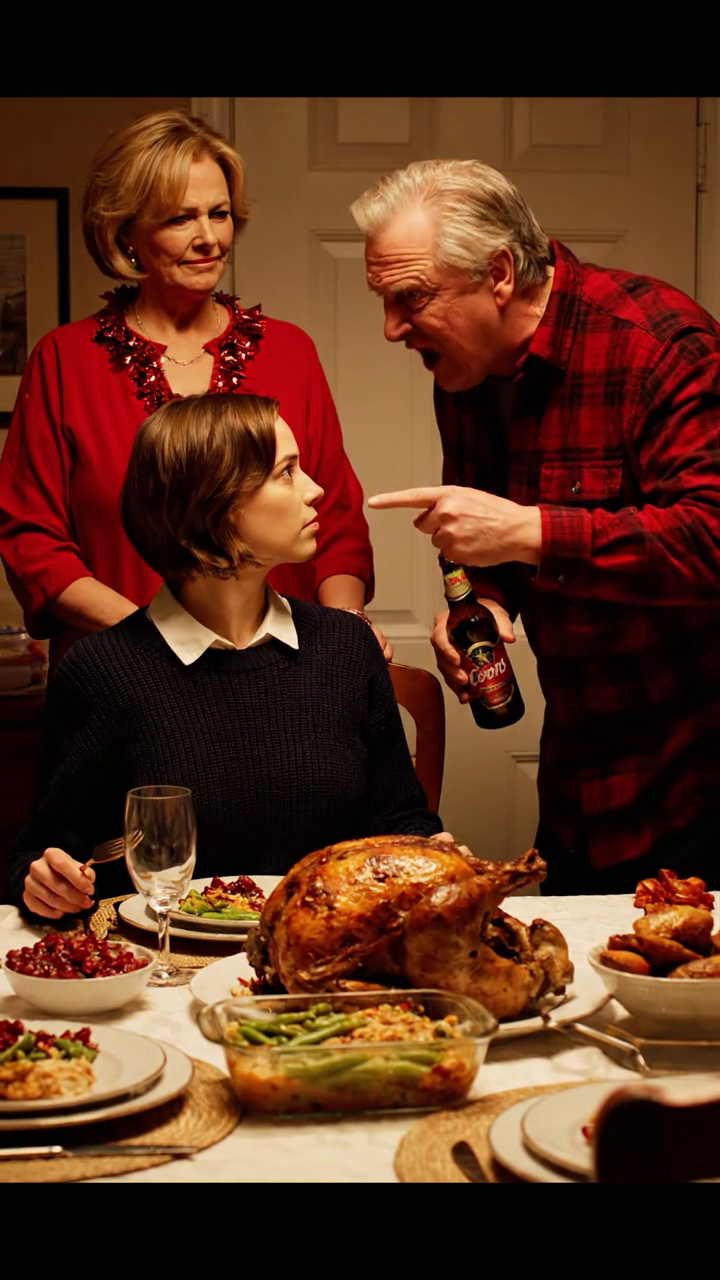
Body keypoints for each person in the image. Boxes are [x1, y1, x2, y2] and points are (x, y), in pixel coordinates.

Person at [349, 158, 720, 894]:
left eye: (411, 297)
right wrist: (488, 600)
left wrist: (535, 533)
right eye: (384, 301)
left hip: (697, 782)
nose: (391, 329)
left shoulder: (658, 343)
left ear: (498, 273)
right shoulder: (465, 371)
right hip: (580, 780)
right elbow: (491, 535)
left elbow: (710, 538)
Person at [9, 393, 445, 921]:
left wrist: (432, 850)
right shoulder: (101, 672)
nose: (314, 490)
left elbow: (402, 821)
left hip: (321, 954)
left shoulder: (347, 648)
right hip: (163, 960)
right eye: (287, 472)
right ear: (213, 504)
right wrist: (47, 883)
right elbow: (44, 853)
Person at [0, 109, 388, 675]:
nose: (209, 238)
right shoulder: (64, 360)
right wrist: (157, 642)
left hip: (283, 675)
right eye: (181, 218)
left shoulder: (290, 351)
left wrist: (345, 636)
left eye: (219, 213)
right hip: (122, 672)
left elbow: (339, 520)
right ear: (126, 231)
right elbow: (32, 542)